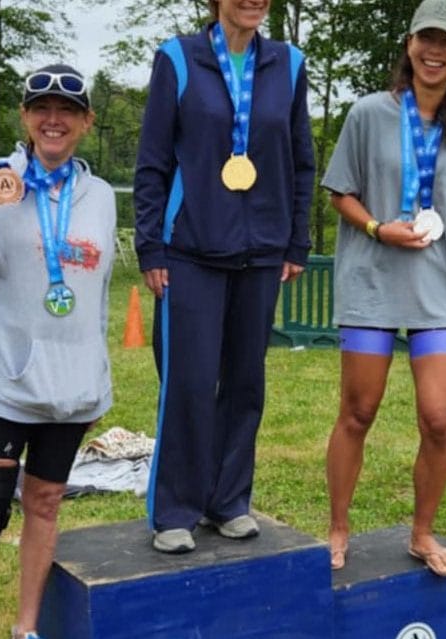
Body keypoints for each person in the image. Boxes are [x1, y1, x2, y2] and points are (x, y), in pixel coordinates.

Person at [321, 0, 446, 576]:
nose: (435, 51)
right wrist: (378, 227)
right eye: (426, 39)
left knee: (439, 418)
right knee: (358, 410)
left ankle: (421, 533)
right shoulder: (368, 113)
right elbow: (341, 192)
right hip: (372, 281)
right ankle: (338, 527)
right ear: (409, 43)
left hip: (442, 291)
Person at [0, 64, 116, 639]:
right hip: (0, 381)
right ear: (25, 118)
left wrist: (96, 381)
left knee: (45, 502)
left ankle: (26, 632)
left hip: (69, 388)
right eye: (41, 108)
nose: (53, 119)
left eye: (67, 109)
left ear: (86, 121)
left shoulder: (101, 198)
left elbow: (94, 301)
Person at [133, 0, 315, 553]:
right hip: (188, 248)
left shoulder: (289, 63)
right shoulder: (179, 58)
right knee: (188, 383)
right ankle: (175, 511)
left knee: (244, 382)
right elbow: (153, 160)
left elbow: (300, 158)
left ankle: (228, 501)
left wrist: (295, 239)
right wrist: (150, 248)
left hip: (262, 249)